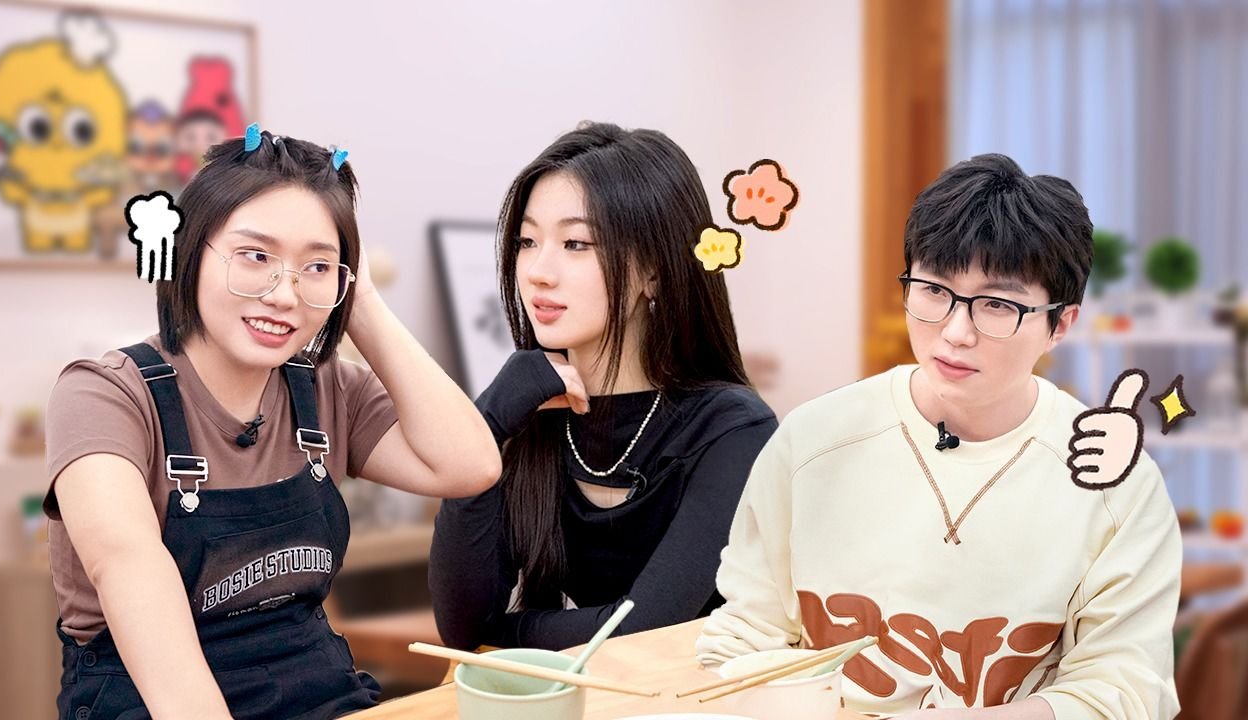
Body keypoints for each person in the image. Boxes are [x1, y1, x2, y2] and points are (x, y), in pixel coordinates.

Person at [697, 153, 1181, 719]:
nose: (955, 332)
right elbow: (745, 635)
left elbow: (1122, 691)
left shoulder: (1114, 483)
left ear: (1060, 324)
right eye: (933, 290)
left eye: (996, 304)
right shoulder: (812, 442)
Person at [44, 125, 501, 719]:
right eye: (256, 256)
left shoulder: (327, 387)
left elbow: (470, 465)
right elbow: (126, 565)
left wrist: (359, 301)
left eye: (317, 266)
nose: (284, 294)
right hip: (152, 699)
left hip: (315, 690)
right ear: (189, 251)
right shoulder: (103, 393)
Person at [429, 122, 778, 651]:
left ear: (653, 271)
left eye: (575, 243)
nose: (538, 271)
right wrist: (489, 422)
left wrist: (499, 633)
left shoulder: (733, 429)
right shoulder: (528, 415)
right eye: (527, 241)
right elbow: (459, 626)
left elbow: (641, 630)